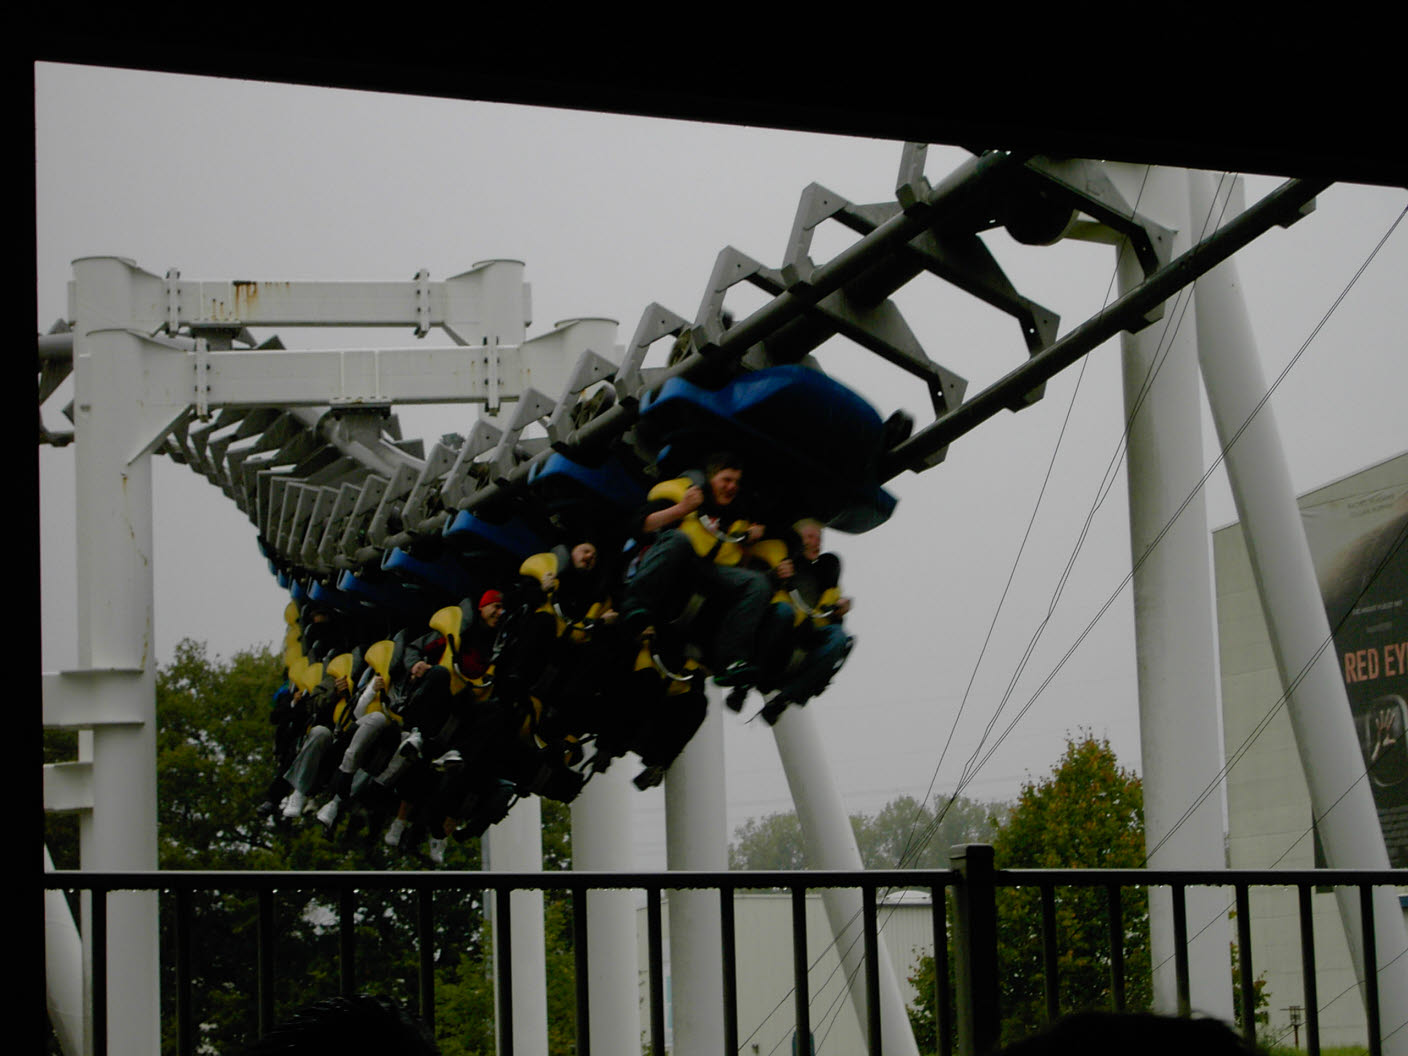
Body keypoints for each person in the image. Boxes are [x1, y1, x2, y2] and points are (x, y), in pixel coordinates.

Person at [621, 452, 771, 686]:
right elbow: (639, 526)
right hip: (674, 562)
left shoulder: (735, 516)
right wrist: (683, 508)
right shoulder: (686, 492)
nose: (732, 487)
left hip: (707, 575)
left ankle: (730, 661)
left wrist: (748, 542)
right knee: (679, 539)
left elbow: (737, 566)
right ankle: (635, 606)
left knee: (758, 583)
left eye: (736, 482)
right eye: (726, 480)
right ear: (711, 478)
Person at [748, 518, 855, 725]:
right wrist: (775, 576)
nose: (816, 543)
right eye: (810, 537)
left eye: (819, 539)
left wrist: (838, 614)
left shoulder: (825, 578)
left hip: (804, 636)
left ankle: (785, 699)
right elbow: (751, 588)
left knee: (840, 637)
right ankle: (747, 678)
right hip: (774, 632)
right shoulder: (777, 559)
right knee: (784, 611)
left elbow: (828, 622)